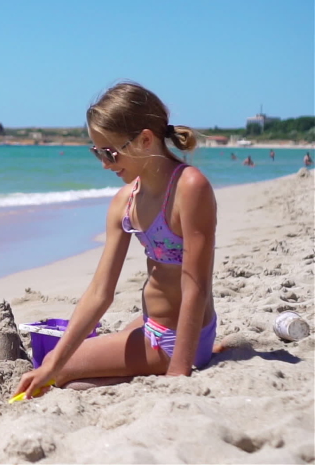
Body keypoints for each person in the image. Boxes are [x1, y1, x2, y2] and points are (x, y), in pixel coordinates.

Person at [15, 81, 218, 398]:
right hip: (152, 326)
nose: (104, 164)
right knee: (59, 367)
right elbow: (99, 293)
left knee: (62, 369)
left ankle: (168, 362)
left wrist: (179, 371)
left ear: (145, 140)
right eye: (96, 152)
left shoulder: (189, 188)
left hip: (178, 340)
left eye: (109, 153)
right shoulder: (126, 201)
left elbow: (196, 285)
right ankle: (131, 371)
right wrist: (53, 362)